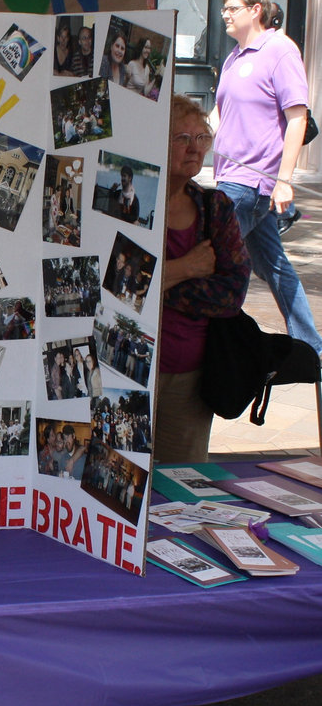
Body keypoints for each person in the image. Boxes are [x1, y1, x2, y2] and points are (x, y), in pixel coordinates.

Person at [213, 0, 322, 354]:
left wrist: (284, 181)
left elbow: (297, 118)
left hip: (250, 183)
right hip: (228, 176)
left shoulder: (280, 50)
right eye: (224, 9)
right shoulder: (233, 57)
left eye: (232, 8)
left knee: (212, 260)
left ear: (255, 9)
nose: (224, 14)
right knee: (274, 267)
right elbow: (219, 115)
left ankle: (221, 344)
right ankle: (313, 349)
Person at [155, 94, 251, 462]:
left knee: (181, 488)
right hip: (123, 373)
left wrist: (157, 284)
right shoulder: (127, 206)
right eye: (182, 138)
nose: (195, 149)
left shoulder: (215, 208)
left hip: (189, 376)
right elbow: (106, 286)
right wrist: (186, 267)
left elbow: (232, 294)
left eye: (202, 138)